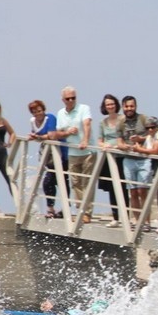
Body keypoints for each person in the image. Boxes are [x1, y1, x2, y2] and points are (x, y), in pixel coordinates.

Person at [56, 86, 94, 223]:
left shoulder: (84, 108)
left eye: (73, 98)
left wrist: (85, 140)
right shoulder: (61, 113)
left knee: (87, 182)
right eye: (68, 98)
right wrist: (67, 133)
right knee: (75, 183)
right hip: (72, 152)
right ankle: (80, 210)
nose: (71, 100)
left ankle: (87, 213)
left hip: (87, 151)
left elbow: (87, 124)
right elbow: (58, 133)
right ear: (63, 100)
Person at [117, 97, 152, 227]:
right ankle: (138, 221)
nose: (129, 109)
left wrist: (140, 138)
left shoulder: (143, 119)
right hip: (129, 159)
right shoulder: (121, 123)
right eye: (127, 107)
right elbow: (119, 140)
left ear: (135, 106)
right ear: (123, 107)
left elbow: (151, 135)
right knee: (132, 191)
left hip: (143, 158)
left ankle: (147, 221)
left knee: (143, 190)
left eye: (131, 106)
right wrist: (123, 146)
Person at [27, 99, 62, 218]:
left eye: (39, 110)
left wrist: (39, 137)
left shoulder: (50, 118)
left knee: (60, 180)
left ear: (43, 110)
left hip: (57, 153)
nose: (38, 113)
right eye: (34, 112)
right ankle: (51, 208)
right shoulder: (32, 121)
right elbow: (36, 135)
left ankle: (65, 210)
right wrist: (35, 137)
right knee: (48, 181)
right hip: (46, 153)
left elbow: (52, 135)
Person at [97, 94, 125, 227]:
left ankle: (126, 217)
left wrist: (116, 146)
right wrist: (104, 146)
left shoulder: (123, 119)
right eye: (107, 104)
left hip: (121, 156)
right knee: (112, 188)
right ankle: (115, 217)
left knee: (124, 186)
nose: (110, 106)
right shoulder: (103, 122)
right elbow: (99, 140)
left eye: (112, 104)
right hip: (108, 158)